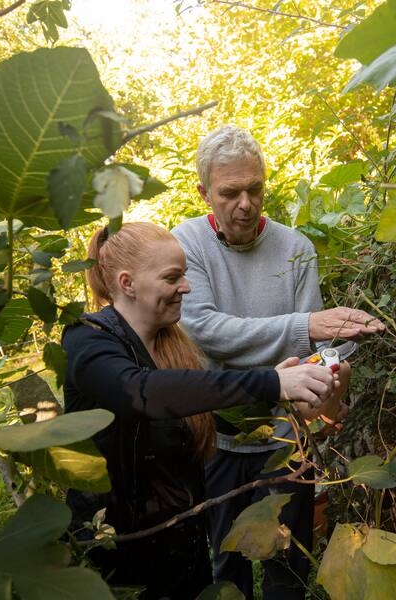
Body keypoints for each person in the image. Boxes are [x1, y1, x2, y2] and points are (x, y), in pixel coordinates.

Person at [61, 222, 337, 600]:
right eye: (172, 277)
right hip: (114, 552)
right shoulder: (87, 340)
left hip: (180, 546)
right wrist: (270, 382)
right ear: (128, 283)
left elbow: (202, 416)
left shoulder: (172, 345)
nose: (186, 287)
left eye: (185, 275)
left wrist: (283, 395)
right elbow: (140, 394)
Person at [172, 126, 385, 599]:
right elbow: (205, 331)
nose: (245, 204)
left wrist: (333, 370)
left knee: (289, 562)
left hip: (287, 439)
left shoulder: (295, 248)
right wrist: (303, 326)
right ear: (204, 192)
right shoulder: (187, 244)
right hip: (220, 434)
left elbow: (315, 350)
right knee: (227, 562)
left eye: (255, 189)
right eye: (230, 193)